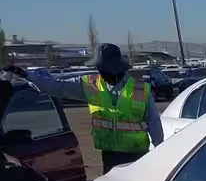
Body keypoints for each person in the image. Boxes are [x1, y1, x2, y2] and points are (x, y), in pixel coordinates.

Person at [2, 43, 164, 173]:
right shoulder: (91, 85)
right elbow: (57, 86)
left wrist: (160, 155)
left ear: (116, 68)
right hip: (110, 156)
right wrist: (26, 75)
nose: (100, 72)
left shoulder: (141, 90)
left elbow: (154, 124)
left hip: (139, 157)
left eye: (103, 69)